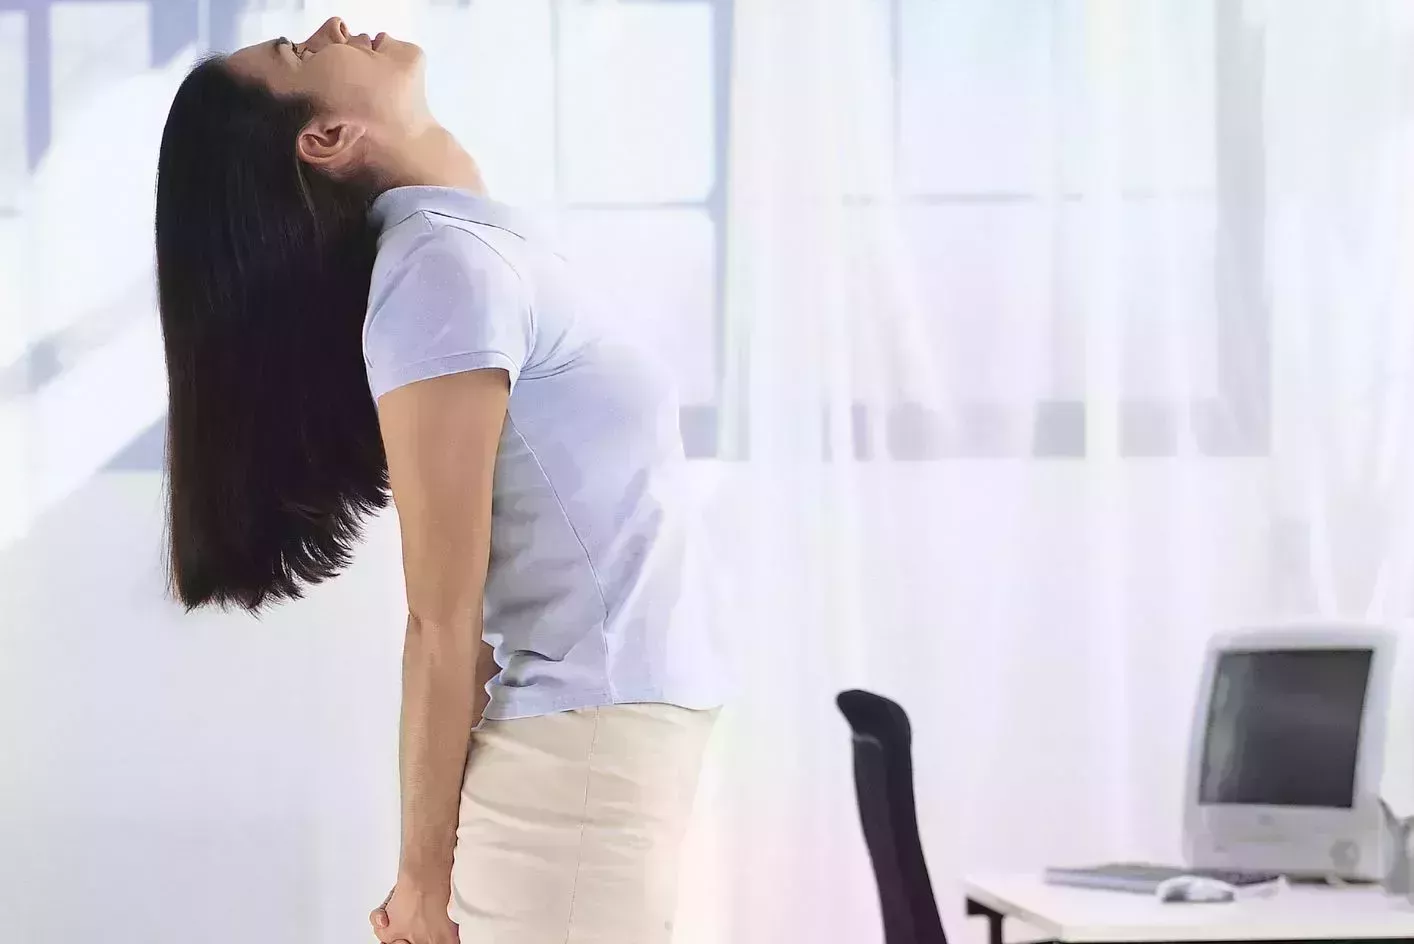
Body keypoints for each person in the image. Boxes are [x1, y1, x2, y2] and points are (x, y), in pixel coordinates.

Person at [154, 17, 726, 944]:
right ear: (326, 138)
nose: (335, 24)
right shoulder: (440, 270)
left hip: (599, 751)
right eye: (304, 51)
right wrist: (422, 884)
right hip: (575, 770)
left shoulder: (470, 251)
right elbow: (442, 619)